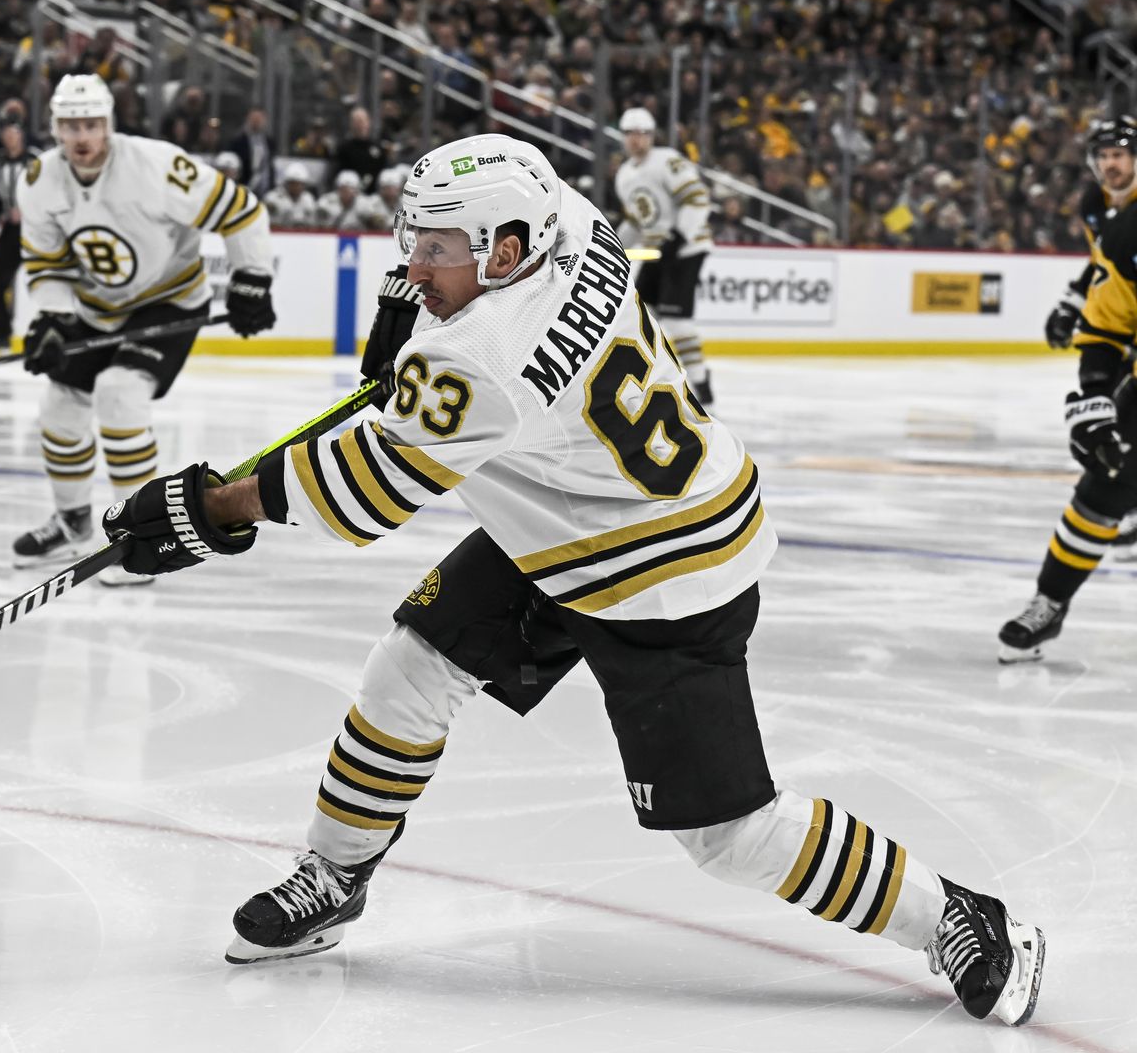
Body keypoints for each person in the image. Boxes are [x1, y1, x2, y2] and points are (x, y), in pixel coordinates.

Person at [99, 133, 1046, 1027]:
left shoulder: (483, 362)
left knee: (731, 836)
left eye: (438, 250)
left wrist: (205, 513)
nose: (418, 264)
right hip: (573, 515)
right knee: (409, 673)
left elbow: (361, 492)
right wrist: (413, 293)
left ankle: (959, 916)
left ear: (507, 251)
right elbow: (456, 308)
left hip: (663, 569)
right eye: (413, 242)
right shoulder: (573, 220)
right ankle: (336, 878)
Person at [13, 73, 275, 586]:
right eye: (71, 126)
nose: (82, 136)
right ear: (55, 129)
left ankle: (140, 537)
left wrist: (251, 279)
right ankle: (70, 523)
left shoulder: (155, 166)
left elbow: (242, 210)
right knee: (60, 407)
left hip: (168, 301)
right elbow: (45, 264)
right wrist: (52, 319)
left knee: (120, 393)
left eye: (91, 124)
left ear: (108, 124)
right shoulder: (39, 180)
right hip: (96, 306)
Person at [997, 115, 1137, 661]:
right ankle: (1049, 604)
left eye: (1121, 152)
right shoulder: (1124, 229)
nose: (1112, 163)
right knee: (1102, 486)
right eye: (1103, 153)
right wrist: (1094, 400)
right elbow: (1105, 324)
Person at [613, 107, 715, 406]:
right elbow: (636, 221)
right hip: (660, 250)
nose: (637, 140)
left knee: (676, 319)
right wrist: (613, 244)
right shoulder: (623, 175)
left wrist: (680, 236)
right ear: (623, 137)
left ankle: (702, 387)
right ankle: (648, 377)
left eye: (643, 133)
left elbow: (697, 198)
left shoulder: (666, 160)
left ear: (652, 135)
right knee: (640, 314)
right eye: (631, 134)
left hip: (686, 248)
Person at [0, 120, 39, 354]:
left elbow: (48, 191)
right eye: (6, 133)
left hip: (37, 228)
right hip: (11, 231)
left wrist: (27, 210)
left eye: (14, 132)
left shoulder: (34, 161)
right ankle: (2, 335)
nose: (10, 137)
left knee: (52, 282)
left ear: (21, 135)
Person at [224, 107, 276, 197]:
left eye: (259, 119)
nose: (256, 121)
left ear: (265, 121)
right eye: (254, 118)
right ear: (248, 119)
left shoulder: (269, 142)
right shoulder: (238, 142)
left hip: (266, 191)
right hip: (245, 189)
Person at [263, 163, 319, 228]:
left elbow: (313, 223)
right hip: (277, 234)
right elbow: (267, 222)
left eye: (299, 184)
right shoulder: (272, 198)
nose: (296, 187)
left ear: (304, 185)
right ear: (286, 183)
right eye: (292, 183)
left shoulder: (308, 199)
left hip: (301, 235)